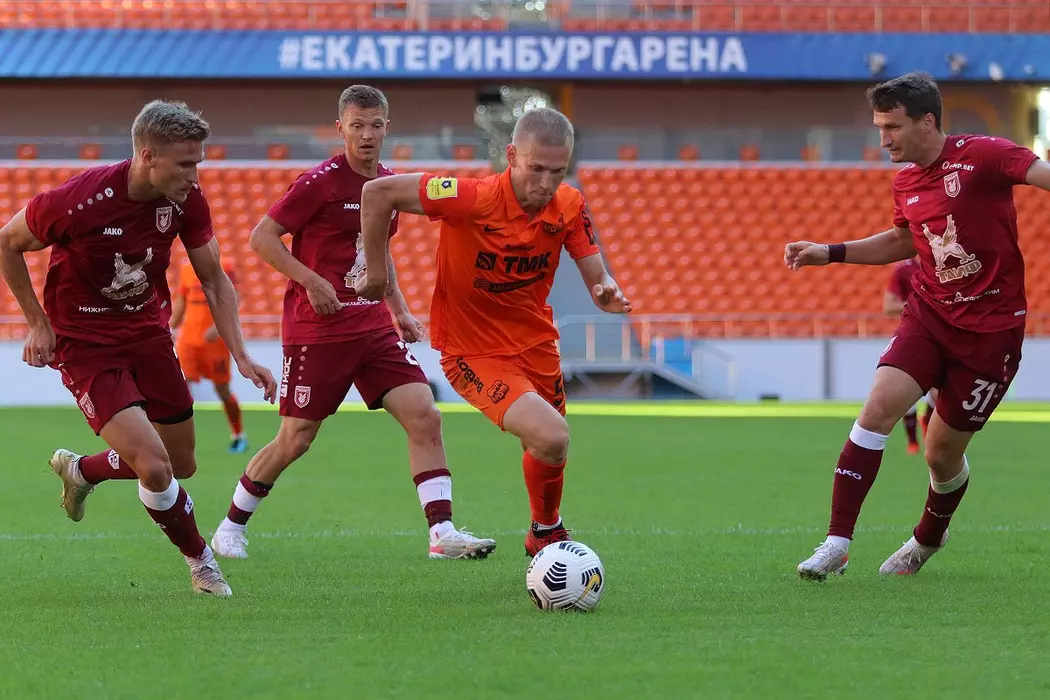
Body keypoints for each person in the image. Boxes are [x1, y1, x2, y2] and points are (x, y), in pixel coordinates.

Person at [0, 99, 277, 597]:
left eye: (198, 163)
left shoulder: (187, 200)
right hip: (85, 345)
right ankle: (202, 562)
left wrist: (241, 354)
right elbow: (7, 242)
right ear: (148, 156)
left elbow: (214, 279)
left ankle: (83, 469)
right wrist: (37, 324)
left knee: (181, 463)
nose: (195, 175)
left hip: (148, 336)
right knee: (154, 466)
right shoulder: (80, 200)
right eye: (185, 164)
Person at [209, 85, 496, 561]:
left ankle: (441, 532)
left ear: (387, 128)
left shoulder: (388, 185)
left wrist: (399, 308)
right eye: (357, 125)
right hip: (317, 330)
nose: (366, 134)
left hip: (373, 327)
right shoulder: (318, 183)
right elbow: (262, 238)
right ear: (340, 128)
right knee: (296, 439)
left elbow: (377, 252)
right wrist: (311, 281)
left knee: (425, 414)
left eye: (375, 125)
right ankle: (229, 527)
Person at [784, 72, 1050, 579]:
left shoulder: (985, 155)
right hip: (929, 315)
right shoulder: (905, 181)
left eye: (892, 127)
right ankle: (837, 543)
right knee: (877, 409)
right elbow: (903, 240)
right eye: (879, 127)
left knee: (940, 455)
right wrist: (830, 252)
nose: (883, 139)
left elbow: (1041, 172)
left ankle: (928, 538)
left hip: (991, 333)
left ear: (927, 122)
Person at [354, 106, 632, 557]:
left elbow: (598, 277)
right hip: (473, 353)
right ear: (512, 156)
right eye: (536, 168)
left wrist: (606, 292)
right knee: (553, 435)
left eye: (557, 171)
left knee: (548, 445)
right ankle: (549, 529)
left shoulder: (570, 205)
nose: (546, 183)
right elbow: (376, 192)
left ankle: (542, 531)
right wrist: (377, 275)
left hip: (537, 344)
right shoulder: (469, 197)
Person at [170, 259, 248, 453]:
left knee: (222, 389)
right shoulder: (186, 269)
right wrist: (170, 327)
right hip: (188, 340)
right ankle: (177, 439)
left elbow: (234, 296)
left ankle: (238, 435)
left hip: (215, 342)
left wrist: (219, 326)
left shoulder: (224, 266)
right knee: (178, 387)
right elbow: (182, 300)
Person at [883, 257, 936, 454]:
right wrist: (918, 303)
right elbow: (888, 307)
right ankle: (913, 441)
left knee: (939, 391)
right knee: (907, 389)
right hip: (913, 335)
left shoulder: (948, 266)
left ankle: (929, 429)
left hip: (941, 336)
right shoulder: (903, 270)